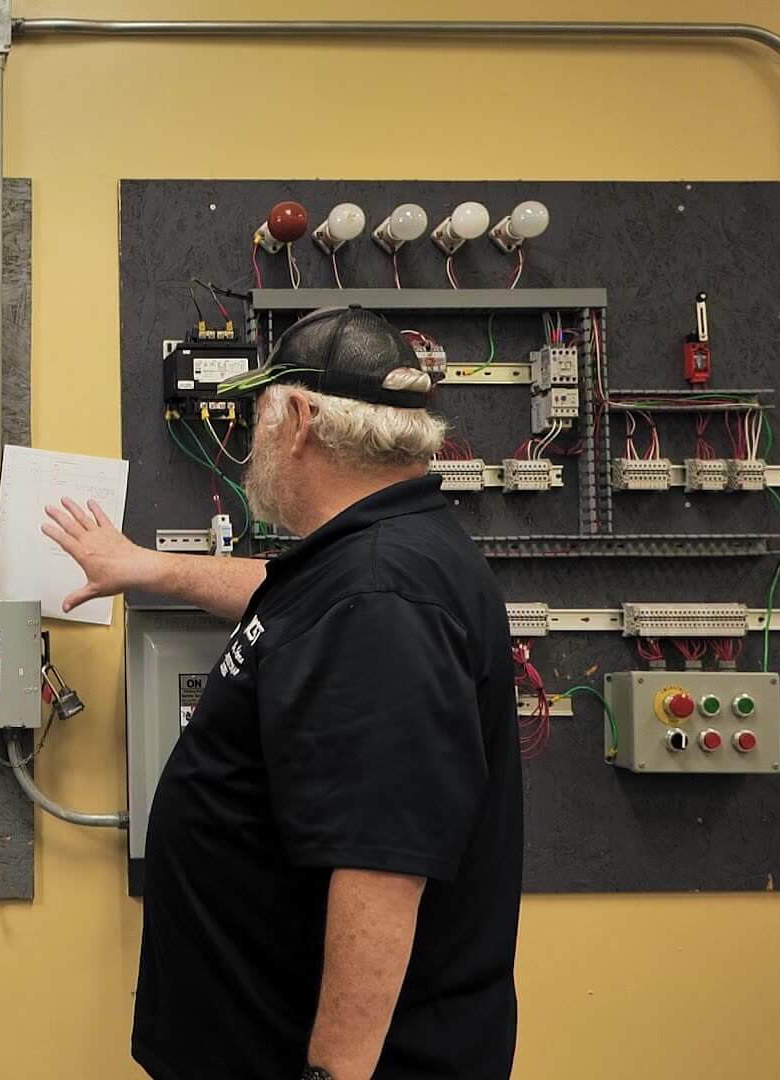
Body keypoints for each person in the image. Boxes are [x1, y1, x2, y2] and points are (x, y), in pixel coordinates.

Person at [44, 307, 520, 1080]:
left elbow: (381, 872)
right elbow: (290, 596)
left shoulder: (380, 594)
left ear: (298, 417)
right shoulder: (374, 556)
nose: (250, 442)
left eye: (257, 415)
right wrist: (151, 569)